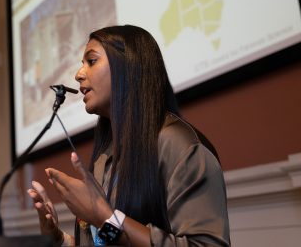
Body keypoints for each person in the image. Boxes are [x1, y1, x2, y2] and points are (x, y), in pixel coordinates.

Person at [27, 25, 231, 246]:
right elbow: (105, 241)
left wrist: (106, 218)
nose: (78, 74)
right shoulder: (105, 156)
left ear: (128, 67)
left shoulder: (178, 145)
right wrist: (58, 239)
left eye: (91, 61)